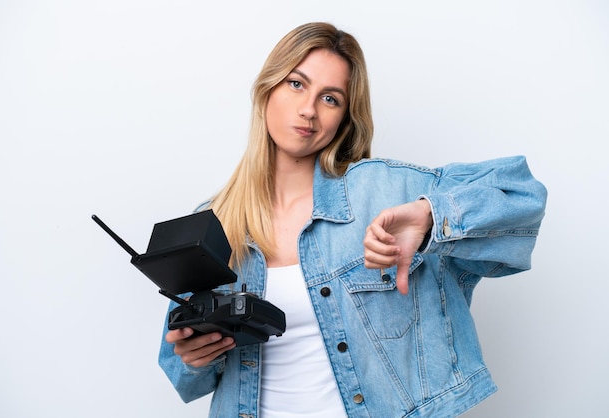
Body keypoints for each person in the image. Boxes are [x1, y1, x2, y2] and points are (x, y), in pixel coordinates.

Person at [158, 22, 547, 418]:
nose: (308, 109)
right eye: (296, 84)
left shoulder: (382, 191)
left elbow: (520, 194)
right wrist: (194, 358)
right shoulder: (213, 221)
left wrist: (432, 216)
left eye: (330, 98)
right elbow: (183, 377)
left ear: (344, 117)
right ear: (267, 89)